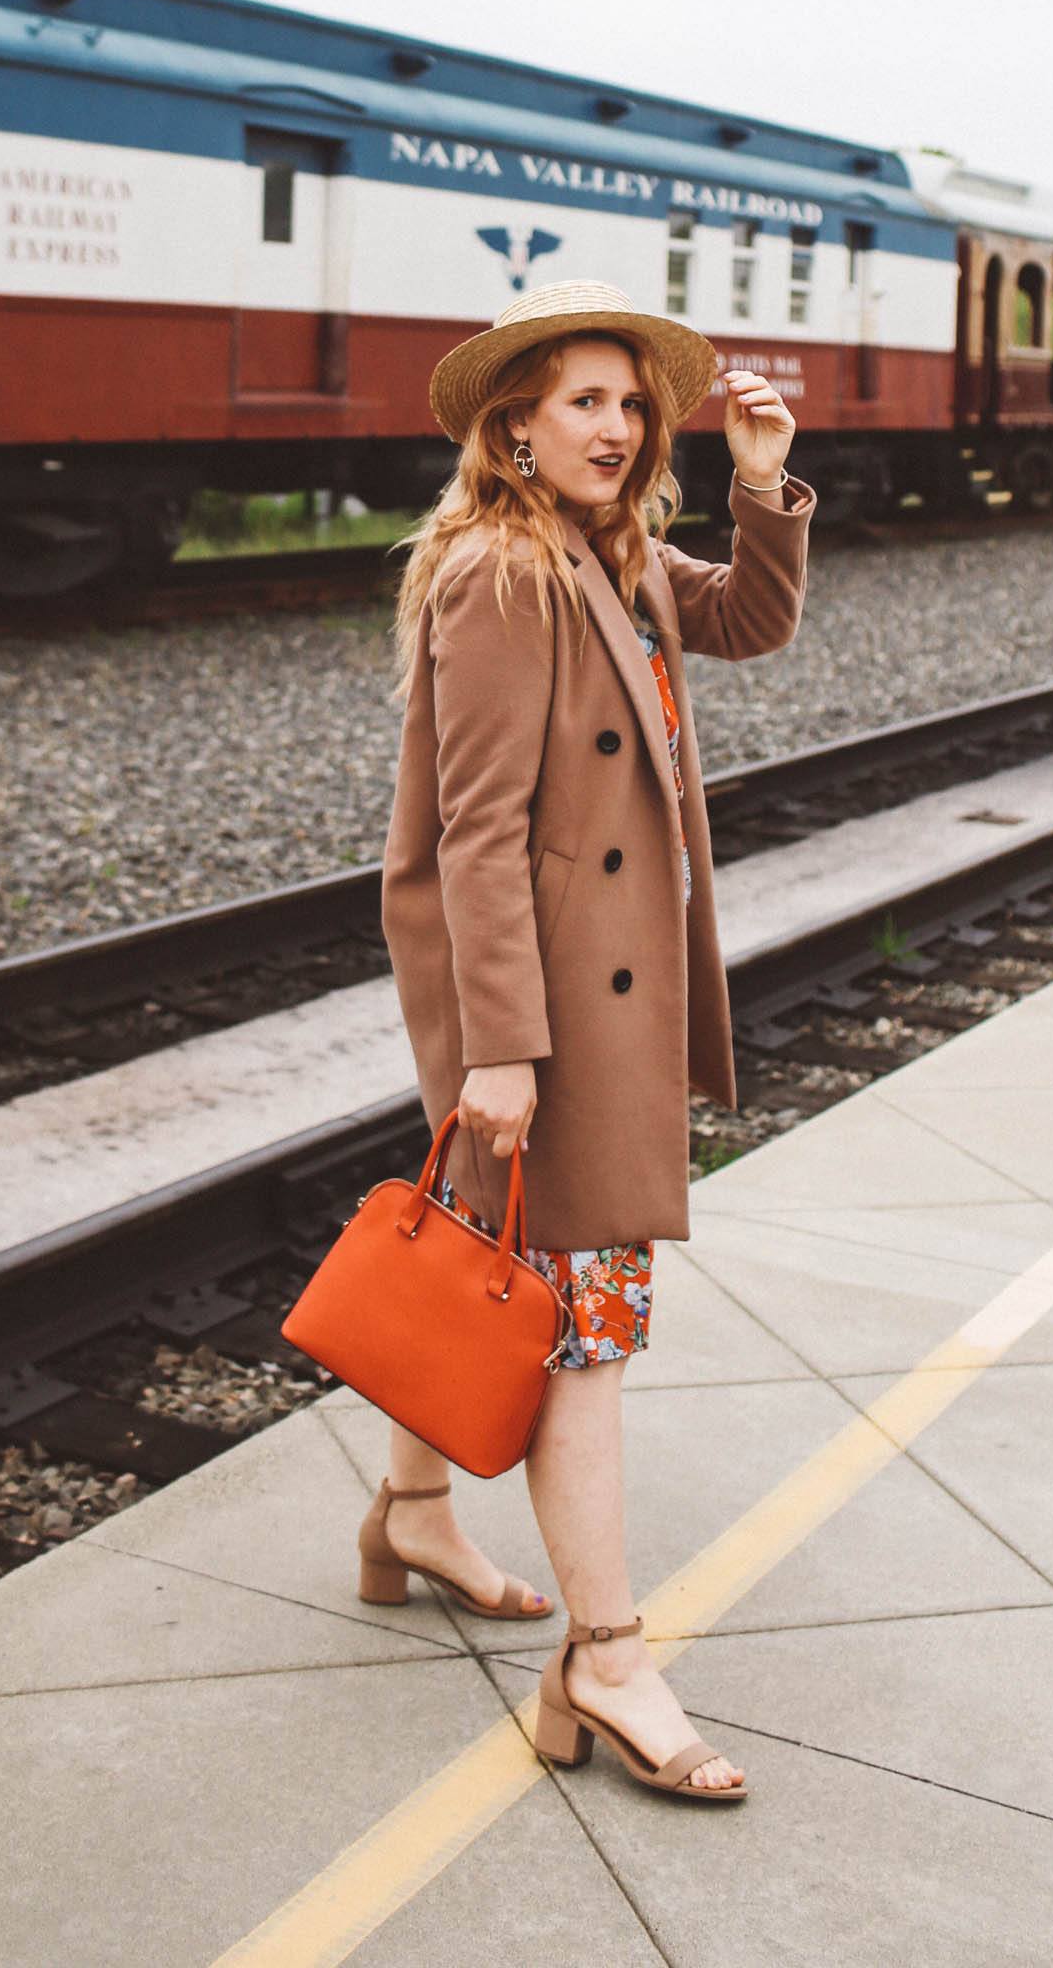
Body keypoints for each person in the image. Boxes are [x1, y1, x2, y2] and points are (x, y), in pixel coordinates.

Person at [368, 275, 813, 1802]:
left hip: (589, 996)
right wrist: (502, 1048)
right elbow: (474, 834)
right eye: (585, 402)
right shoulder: (504, 574)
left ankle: (413, 1511)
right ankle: (607, 1658)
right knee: (582, 1330)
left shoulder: (610, 558)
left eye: (634, 404)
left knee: (490, 1267)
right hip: (548, 1015)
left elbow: (750, 620)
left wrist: (762, 487)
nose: (618, 428)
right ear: (515, 424)